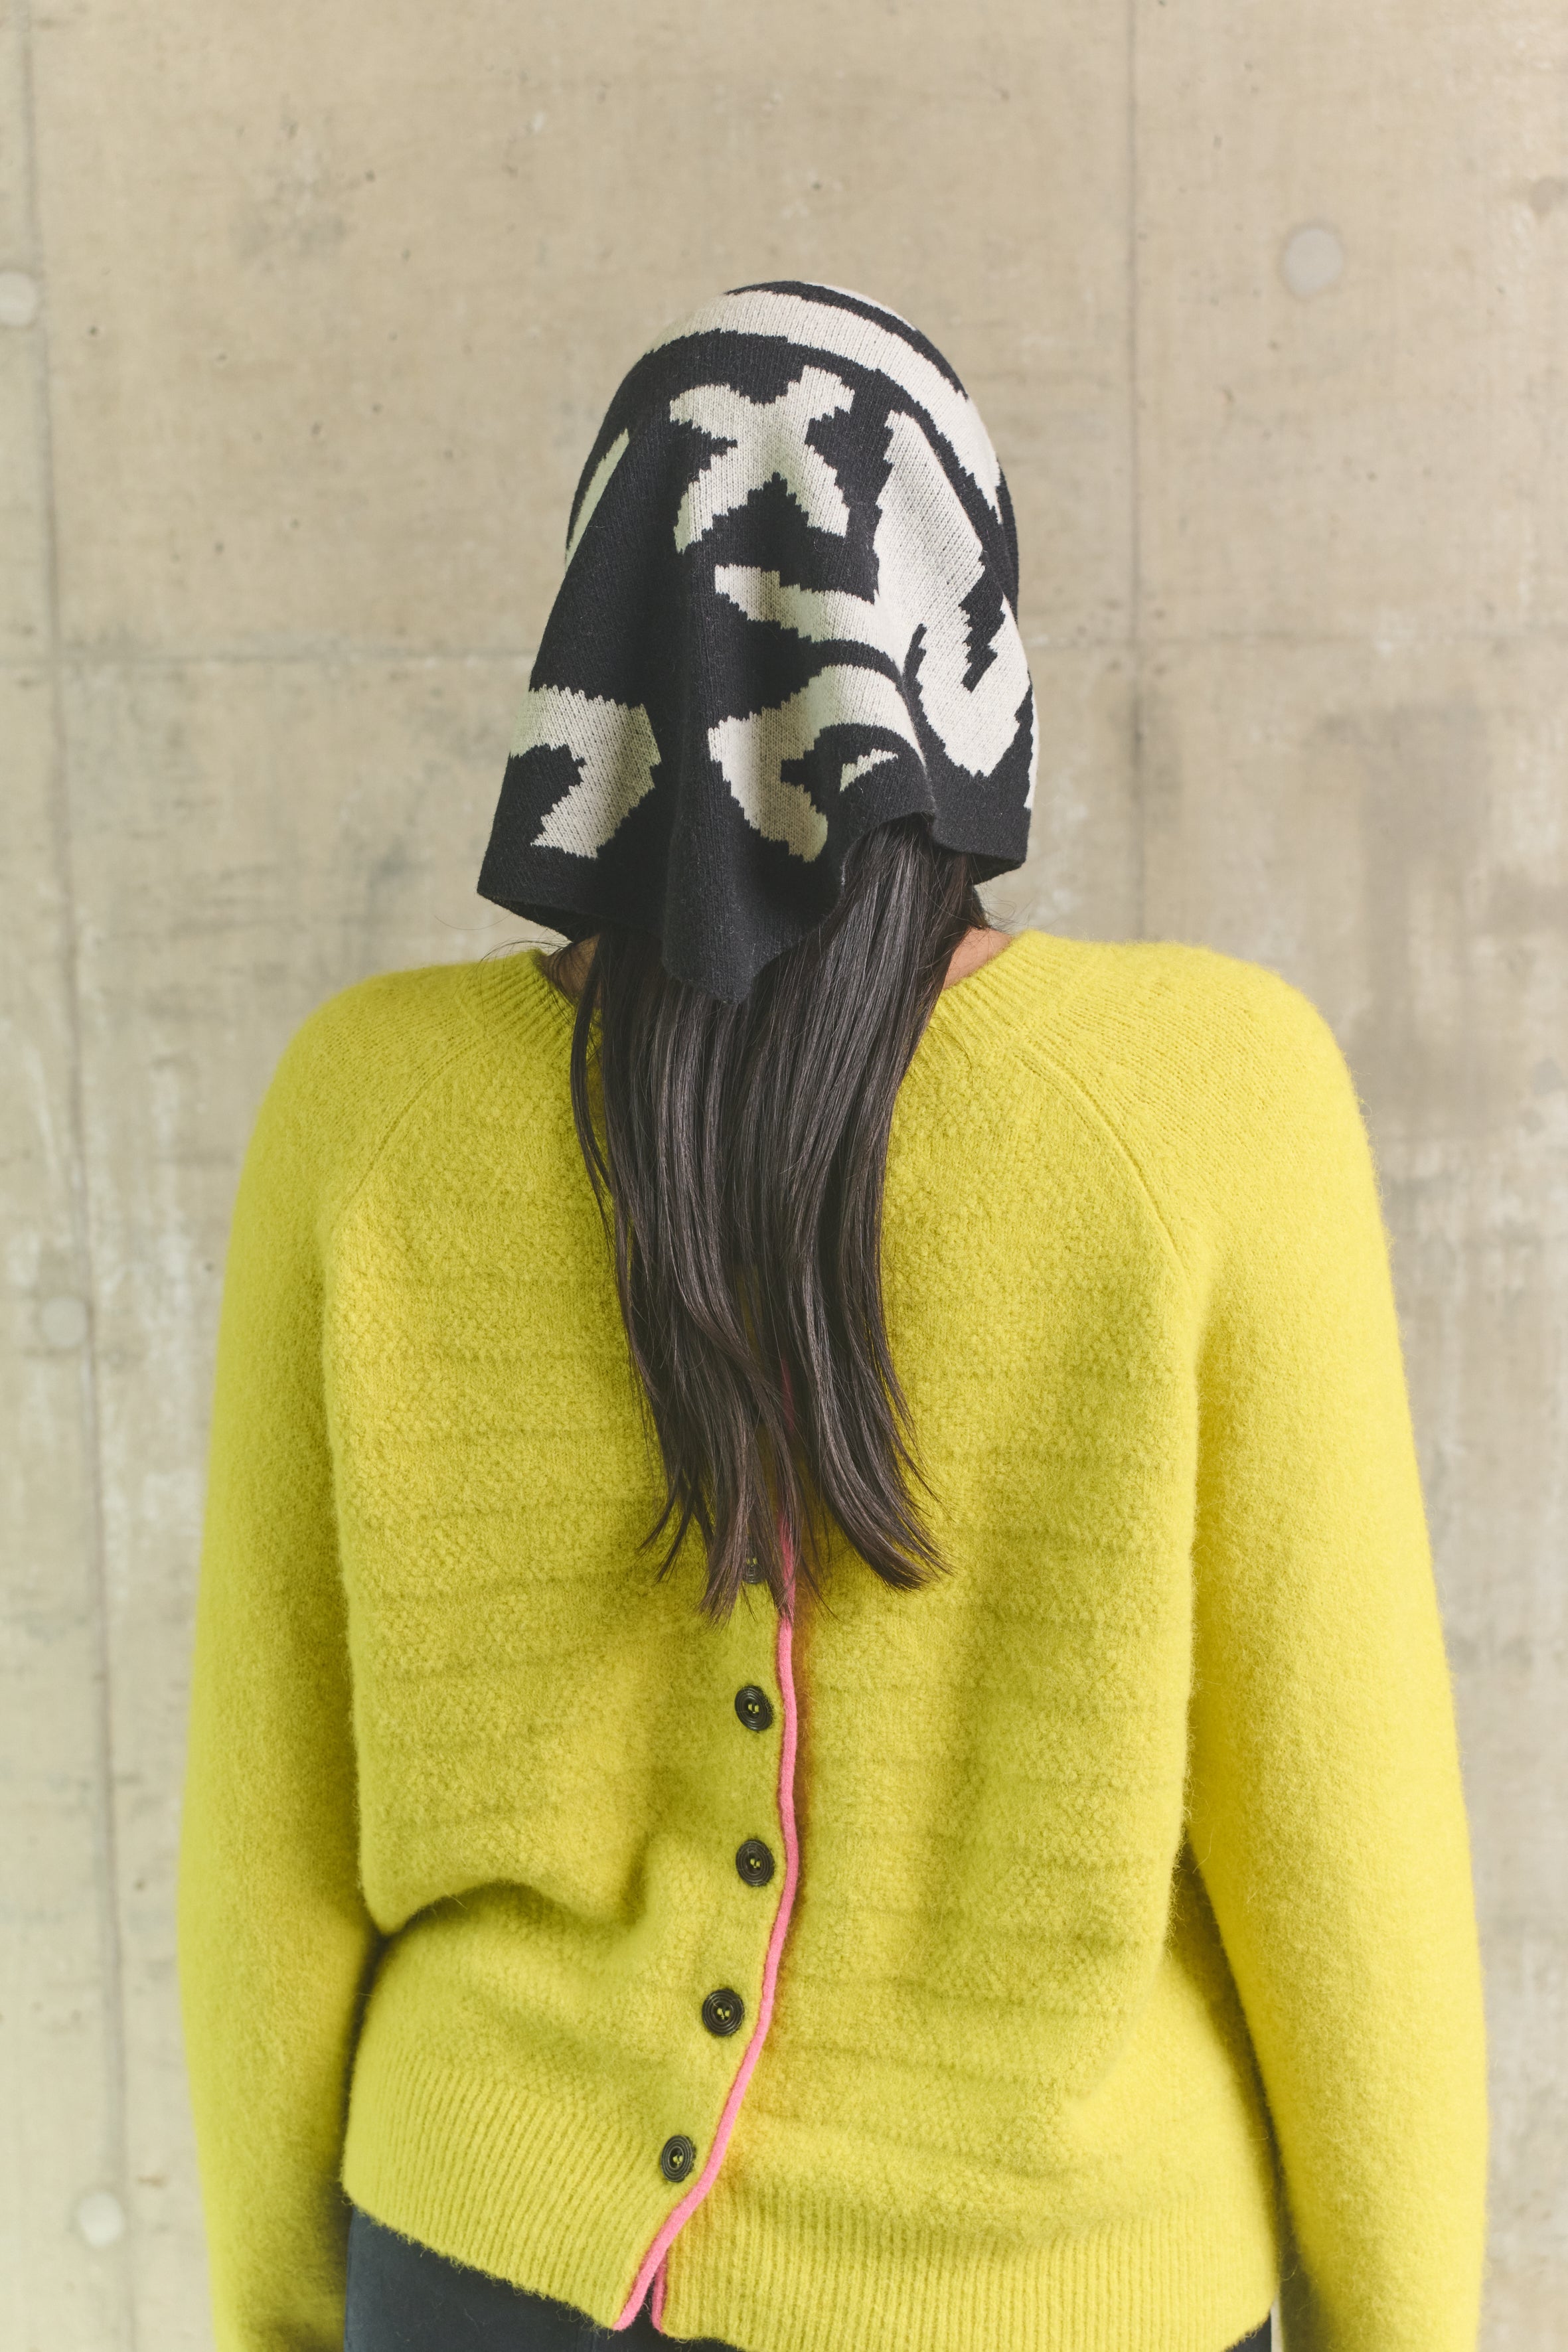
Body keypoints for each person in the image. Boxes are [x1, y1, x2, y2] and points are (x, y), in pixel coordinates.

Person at [177, 282, 1487, 2352]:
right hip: (1068, 2289)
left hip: (480, 2262)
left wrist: (281, 2306)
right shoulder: (1210, 1097)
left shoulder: (366, 1109)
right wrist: (1403, 2324)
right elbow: (1340, 1841)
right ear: (967, 649)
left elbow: (268, 1821)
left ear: (599, 641)